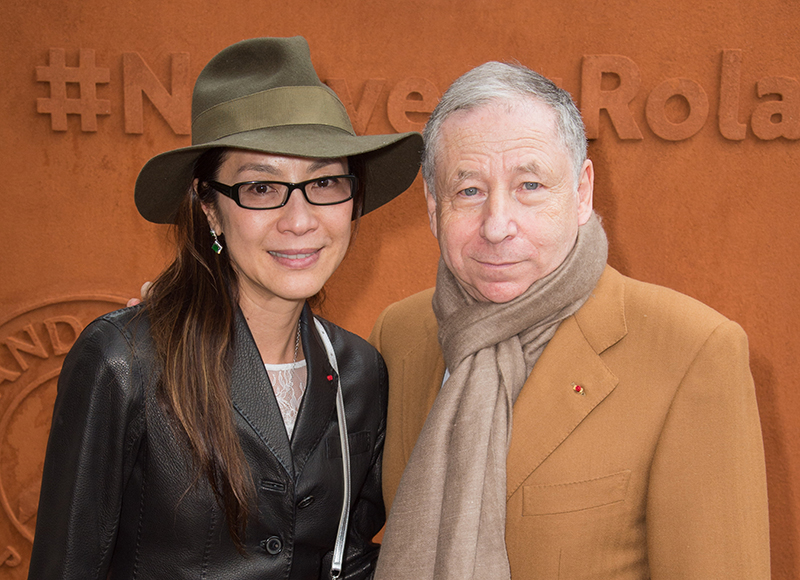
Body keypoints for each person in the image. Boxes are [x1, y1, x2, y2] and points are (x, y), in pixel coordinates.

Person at [28, 37, 422, 580]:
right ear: (209, 207)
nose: (300, 219)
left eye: (325, 182)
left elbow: (343, 555)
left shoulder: (359, 371)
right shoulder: (123, 363)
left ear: (353, 199)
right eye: (261, 187)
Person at [371, 62, 770, 580]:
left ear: (582, 192)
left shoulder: (695, 350)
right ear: (432, 208)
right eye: (468, 191)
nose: (496, 225)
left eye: (530, 185)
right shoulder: (398, 335)